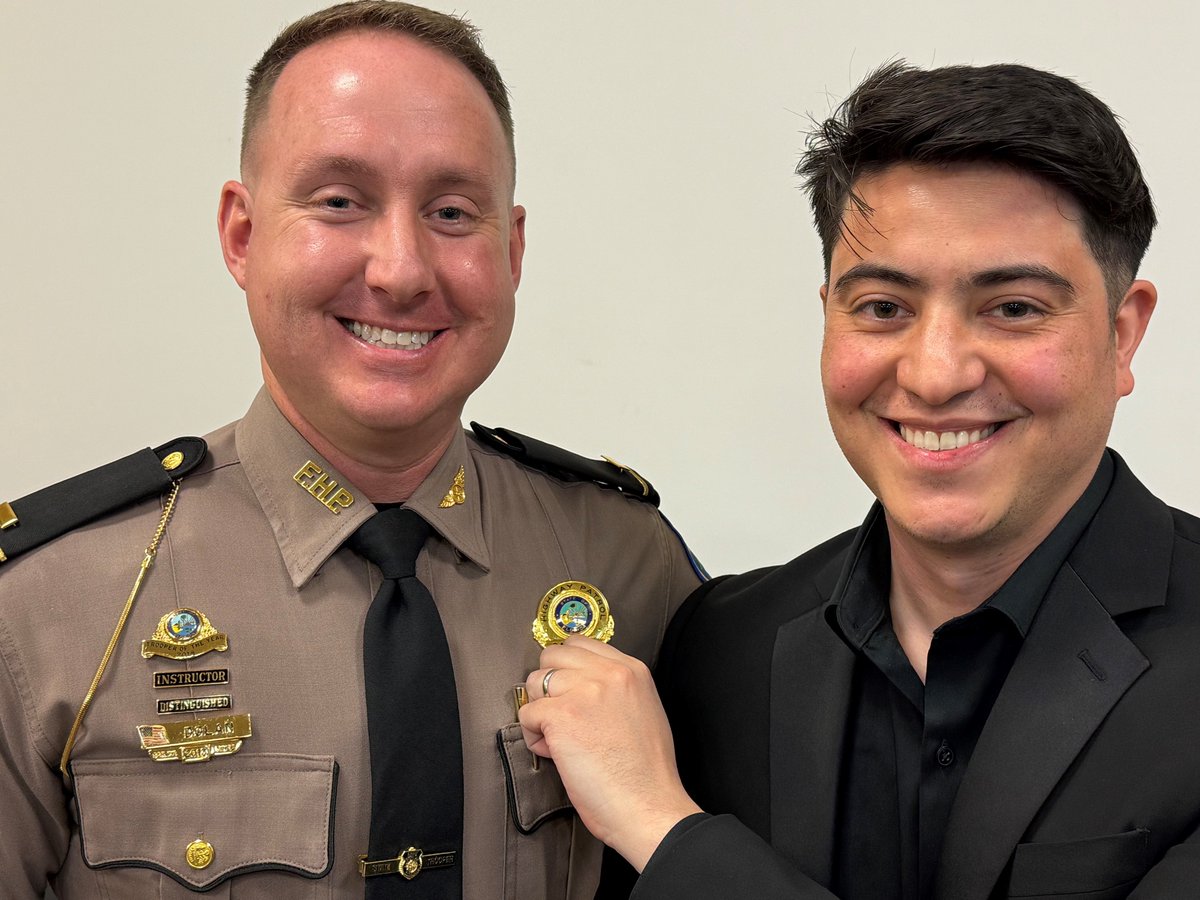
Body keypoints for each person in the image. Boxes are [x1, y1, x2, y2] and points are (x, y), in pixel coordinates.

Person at [0, 3, 700, 897]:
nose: (401, 270)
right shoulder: (45, 605)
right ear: (243, 235)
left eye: (453, 212)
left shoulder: (627, 564)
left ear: (512, 252)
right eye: (339, 202)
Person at [520, 61, 1200, 898]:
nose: (935, 374)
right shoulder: (719, 647)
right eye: (883, 308)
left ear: (1123, 335)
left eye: (1014, 308)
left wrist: (662, 826)